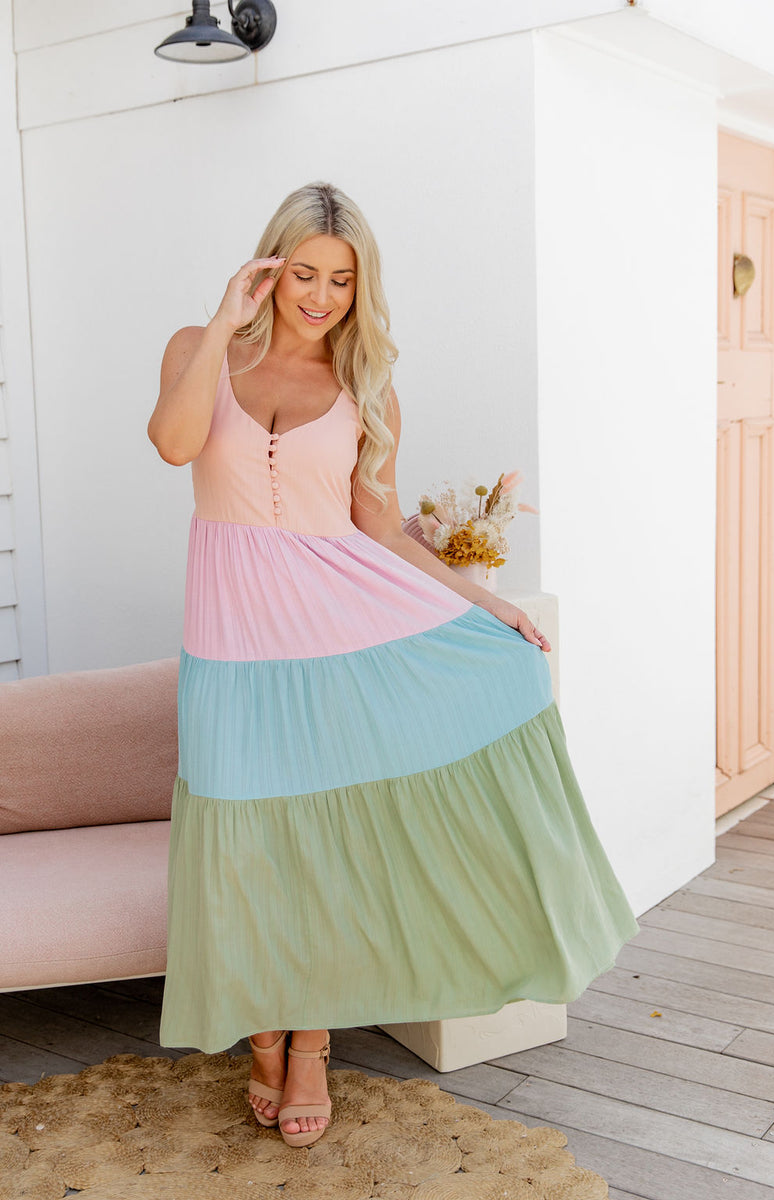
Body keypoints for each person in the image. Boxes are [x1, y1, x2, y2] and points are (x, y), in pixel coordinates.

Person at [148, 181, 640, 1149]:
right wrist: (222, 325)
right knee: (244, 850)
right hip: (231, 643)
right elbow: (172, 447)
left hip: (338, 638)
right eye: (304, 273)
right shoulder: (197, 347)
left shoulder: (365, 387)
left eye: (342, 280)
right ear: (269, 267)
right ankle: (261, 1032)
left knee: (323, 850)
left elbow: (375, 525)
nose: (321, 296)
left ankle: (310, 1045)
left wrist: (489, 606)